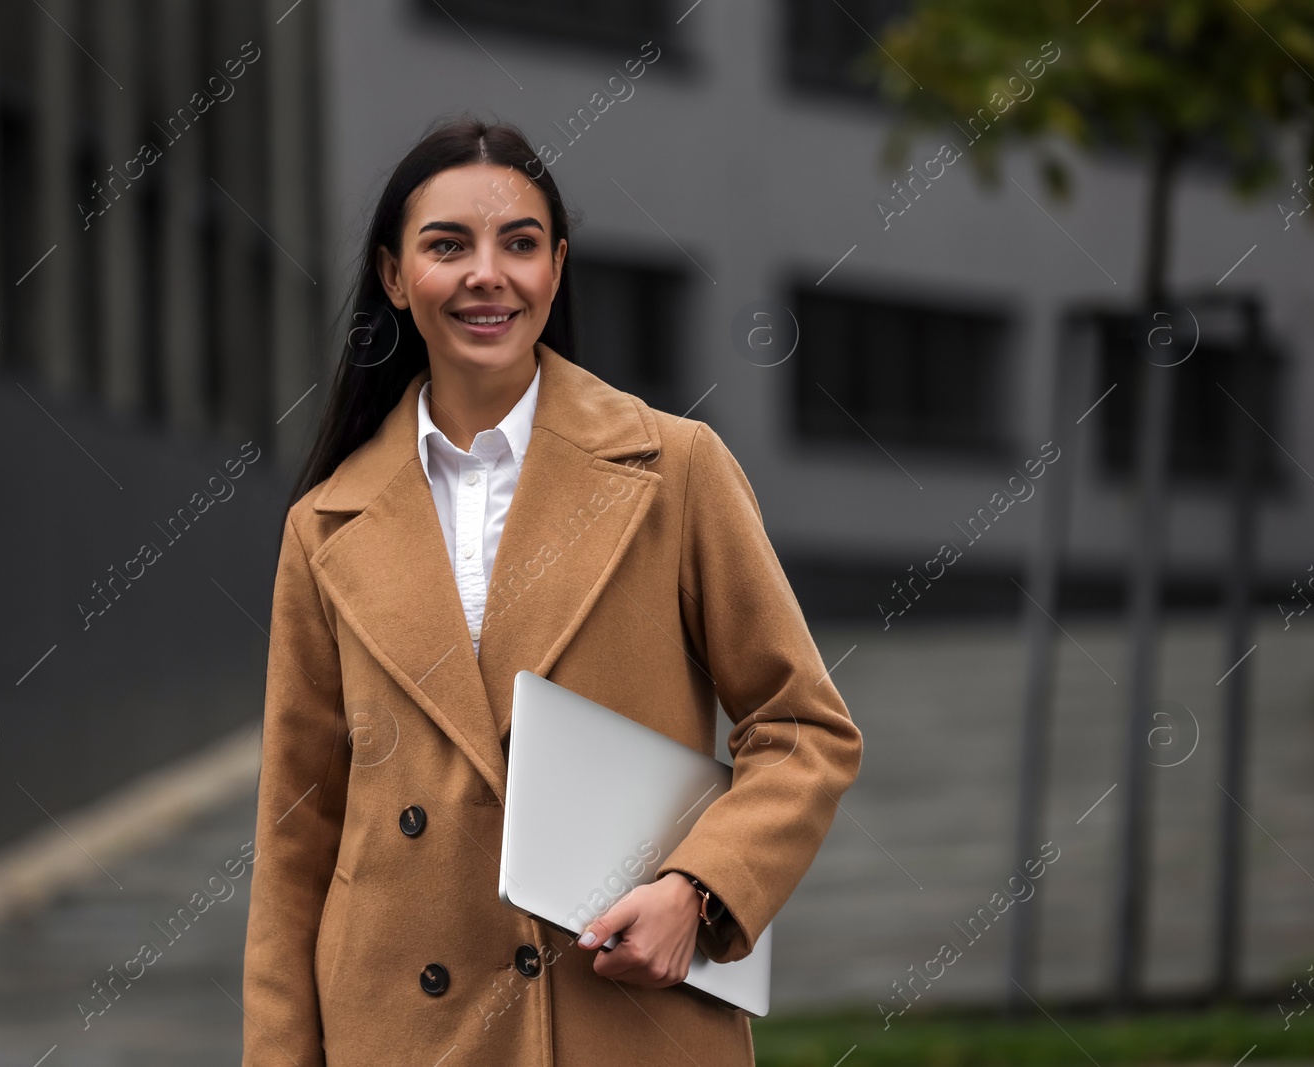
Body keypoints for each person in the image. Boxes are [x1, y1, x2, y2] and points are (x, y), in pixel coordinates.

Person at [241, 115, 863, 1067]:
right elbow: (296, 838)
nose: (488, 273)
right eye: (448, 245)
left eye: (519, 244)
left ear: (557, 267)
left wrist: (697, 890)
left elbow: (802, 727)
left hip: (623, 1016)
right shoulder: (325, 523)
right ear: (395, 277)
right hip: (402, 1032)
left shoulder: (675, 468)